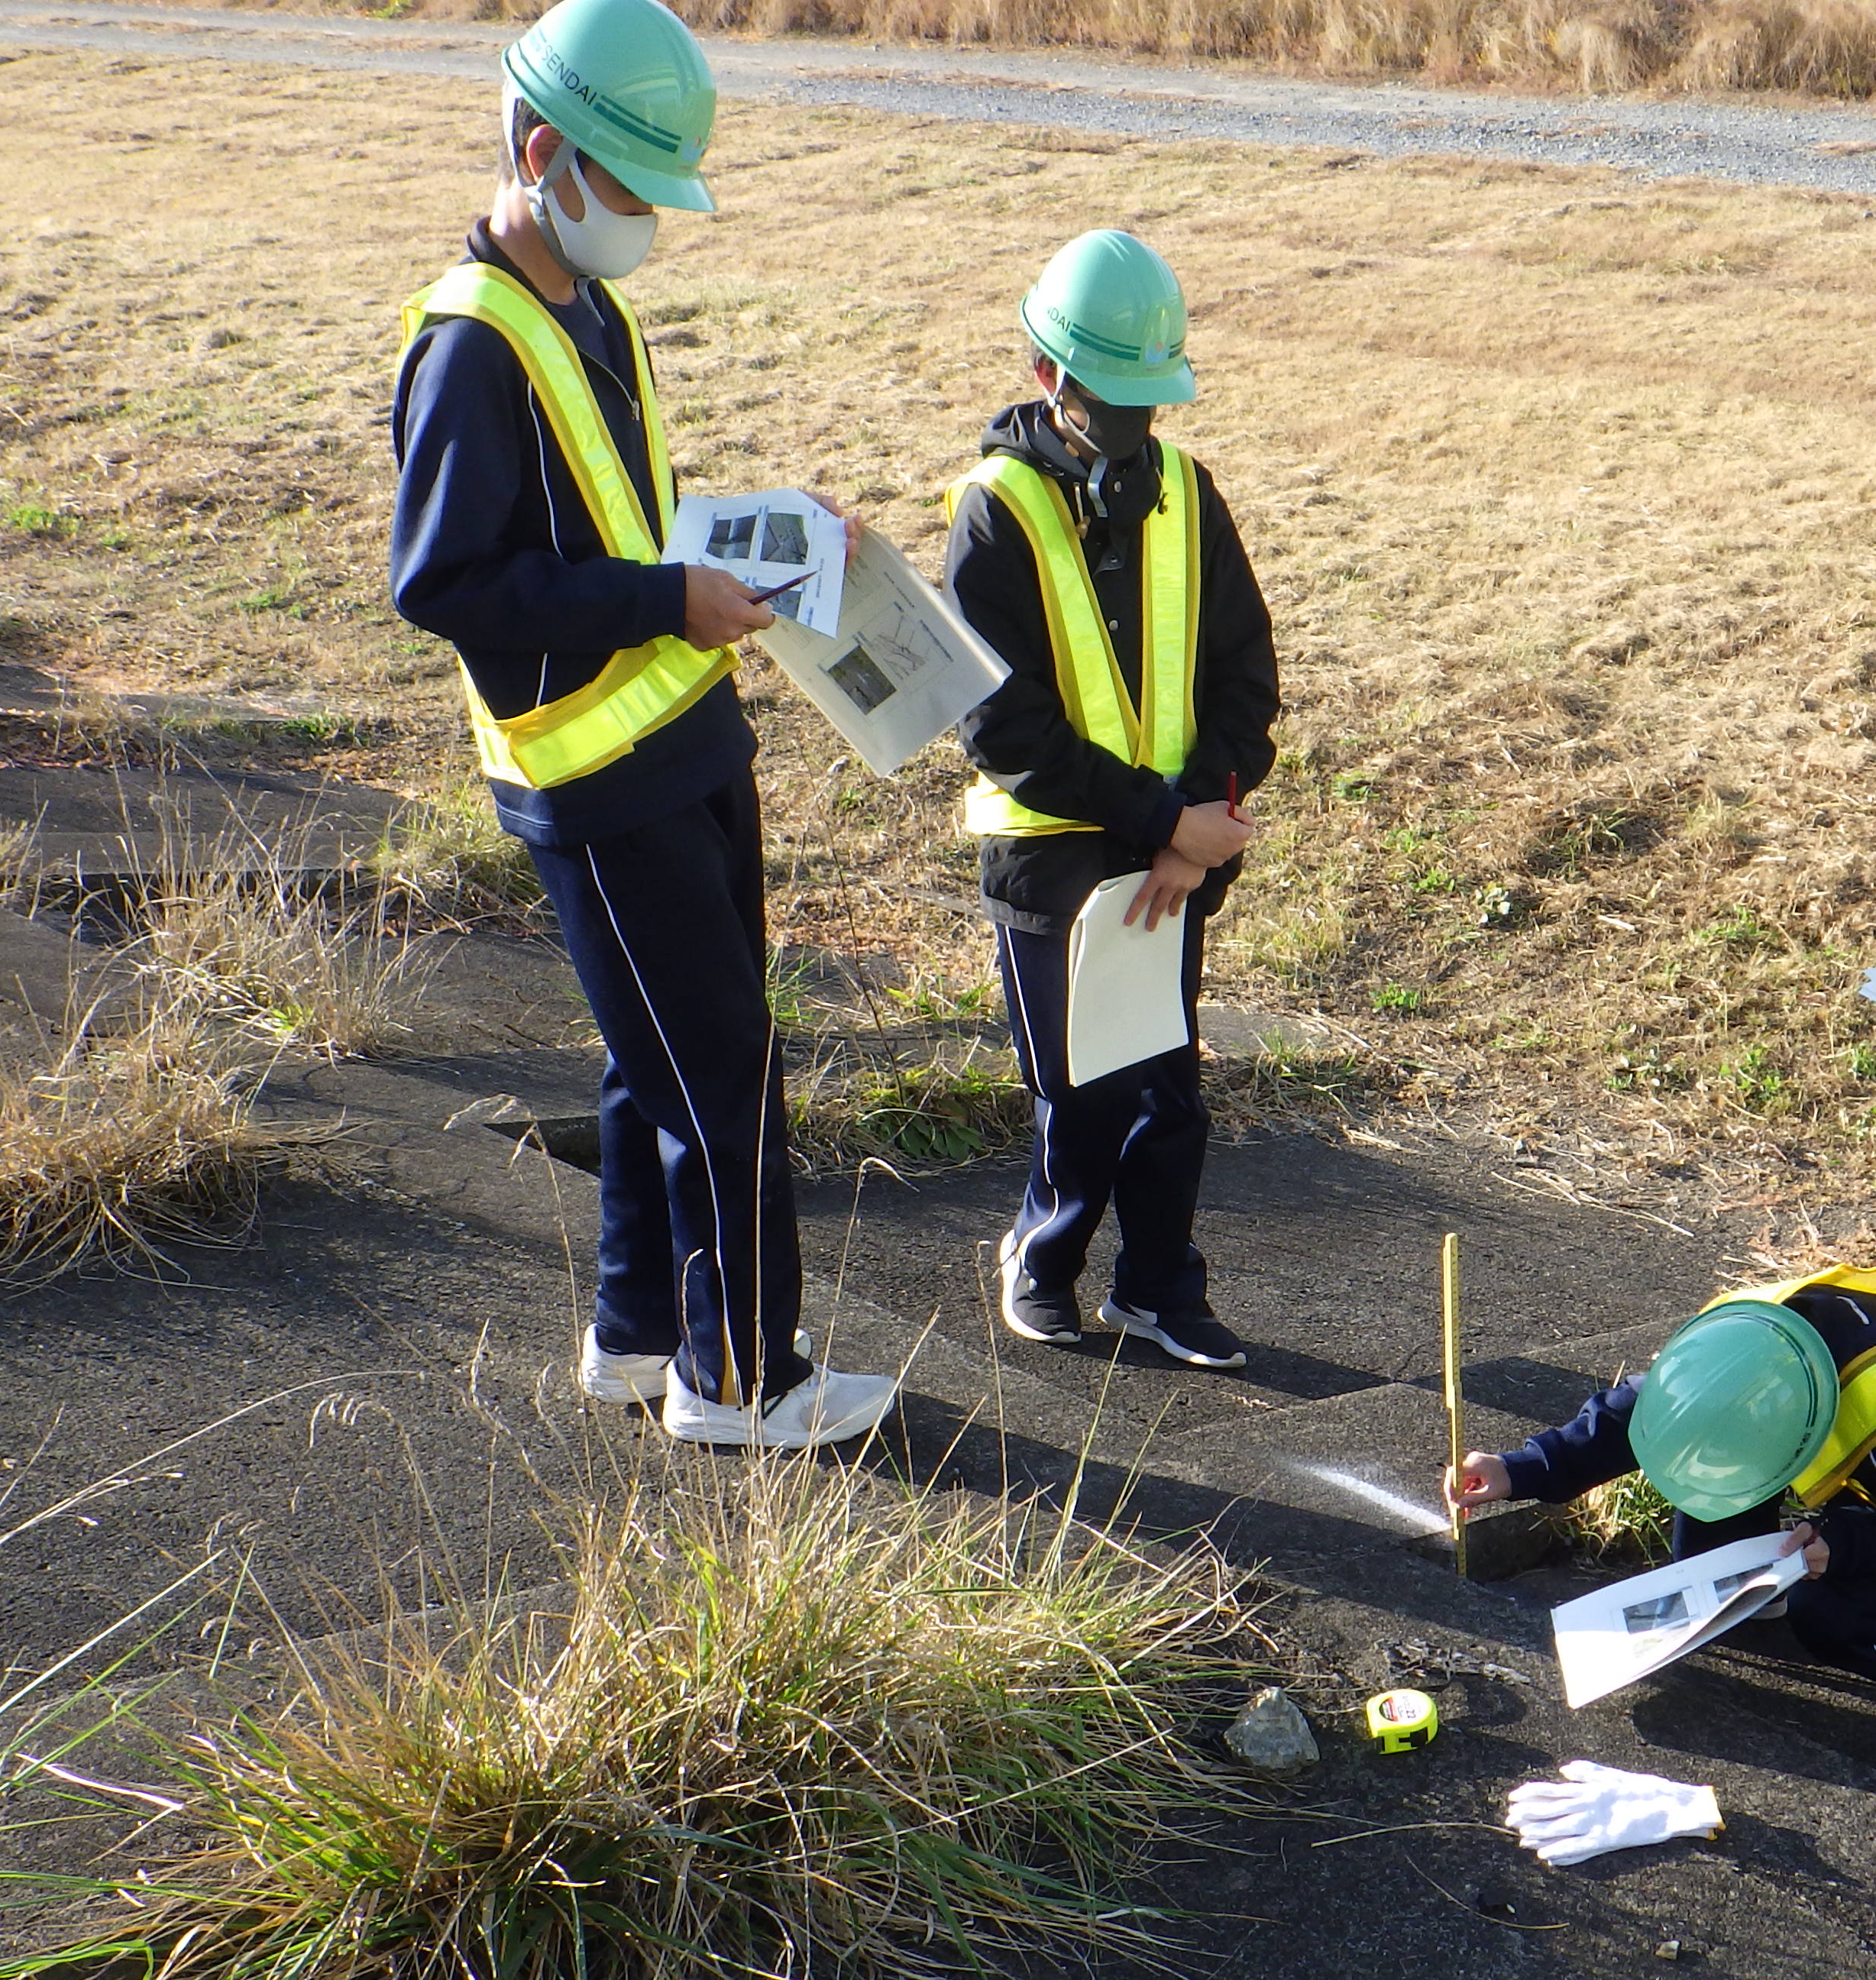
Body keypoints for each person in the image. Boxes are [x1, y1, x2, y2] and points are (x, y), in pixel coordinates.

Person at [388, 0, 894, 1448]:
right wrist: (664, 599)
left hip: (682, 738)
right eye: (628, 188)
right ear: (543, 153)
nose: (645, 223)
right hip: (595, 771)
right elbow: (448, 580)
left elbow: (612, 524)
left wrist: (765, 543)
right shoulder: (469, 348)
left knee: (652, 1060)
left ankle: (639, 1332)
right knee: (718, 1070)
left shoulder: (589, 309)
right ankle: (743, 1381)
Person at [948, 229, 1280, 1372]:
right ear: (1049, 376)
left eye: (1151, 403)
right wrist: (1162, 823)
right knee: (1078, 1087)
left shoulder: (1190, 496)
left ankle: (1157, 1287)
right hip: (1052, 856)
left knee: (1166, 1080)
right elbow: (1004, 727)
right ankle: (1045, 1261)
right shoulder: (995, 512)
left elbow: (1246, 680)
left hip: (1172, 853)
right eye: (1112, 399)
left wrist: (1202, 830)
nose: (1135, 428)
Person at [1446, 1266, 1876, 1697]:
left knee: (1839, 1622)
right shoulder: (1745, 1335)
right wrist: (1517, 1470)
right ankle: (1816, 1559)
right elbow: (1650, 1411)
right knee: (1711, 1583)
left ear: (1792, 1429)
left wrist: (1851, 1546)